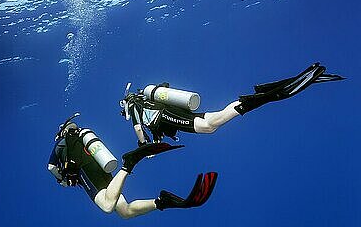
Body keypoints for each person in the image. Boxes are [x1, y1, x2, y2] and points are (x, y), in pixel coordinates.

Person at [120, 62, 344, 146]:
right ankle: (265, 94)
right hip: (171, 113)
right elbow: (157, 131)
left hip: (168, 114)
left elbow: (140, 128)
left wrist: (143, 147)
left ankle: (263, 96)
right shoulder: (143, 103)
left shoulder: (135, 106)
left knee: (209, 127)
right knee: (214, 120)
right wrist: (156, 142)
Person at [48, 114, 217, 219]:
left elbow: (51, 167)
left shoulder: (61, 144)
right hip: (102, 170)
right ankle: (161, 202)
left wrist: (61, 179)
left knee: (107, 207)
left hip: (85, 170)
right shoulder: (83, 136)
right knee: (125, 212)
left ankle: (128, 164)